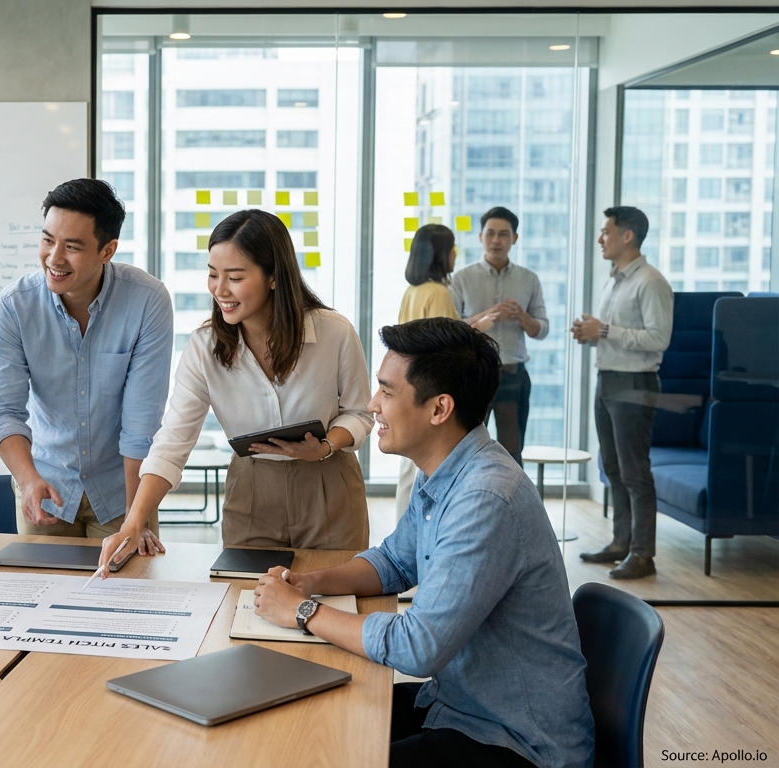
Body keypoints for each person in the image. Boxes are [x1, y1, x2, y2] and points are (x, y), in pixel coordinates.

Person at [253, 318, 594, 768]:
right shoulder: (444, 469)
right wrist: (309, 582)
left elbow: (419, 647)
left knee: (331, 750)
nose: (373, 405)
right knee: (310, 722)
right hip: (459, 704)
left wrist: (303, 612)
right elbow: (394, 561)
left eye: (387, 391)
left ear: (439, 409)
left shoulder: (485, 497)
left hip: (518, 741)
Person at [99, 209, 373, 566]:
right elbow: (172, 441)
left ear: (274, 276)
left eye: (235, 277)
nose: (220, 289)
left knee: (335, 600)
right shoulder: (204, 348)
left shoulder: (334, 332)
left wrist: (324, 447)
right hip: (251, 489)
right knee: (248, 603)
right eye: (213, 275)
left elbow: (360, 414)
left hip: (330, 485)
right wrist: (134, 522)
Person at [0, 178, 173, 540]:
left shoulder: (147, 301)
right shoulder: (14, 307)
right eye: (47, 240)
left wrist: (136, 520)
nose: (54, 258)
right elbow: (4, 413)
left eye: (71, 246)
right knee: (41, 593)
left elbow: (141, 426)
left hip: (122, 492)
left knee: (129, 594)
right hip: (45, 487)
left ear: (107, 250)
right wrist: (28, 481)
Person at [573, 206, 673, 580]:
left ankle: (643, 554)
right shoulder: (614, 280)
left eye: (606, 232)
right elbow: (610, 333)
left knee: (635, 471)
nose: (601, 238)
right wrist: (590, 333)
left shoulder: (651, 281)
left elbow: (658, 339)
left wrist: (605, 330)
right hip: (609, 379)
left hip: (635, 384)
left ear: (627, 236)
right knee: (613, 468)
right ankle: (621, 543)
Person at [394, 224, 488, 517]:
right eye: (453, 249)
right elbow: (446, 348)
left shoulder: (413, 290)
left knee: (409, 469)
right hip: (431, 391)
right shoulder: (439, 292)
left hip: (409, 386)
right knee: (429, 470)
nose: (455, 255)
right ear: (443, 254)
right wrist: (478, 330)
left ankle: (403, 536)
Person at [449, 207, 550, 466]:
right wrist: (487, 315)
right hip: (473, 374)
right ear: (480, 236)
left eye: (504, 234)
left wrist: (523, 318)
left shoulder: (529, 279)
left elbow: (543, 329)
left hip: (513, 375)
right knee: (465, 448)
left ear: (514, 238)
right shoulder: (462, 278)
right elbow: (451, 328)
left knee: (512, 451)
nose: (496, 240)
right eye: (491, 233)